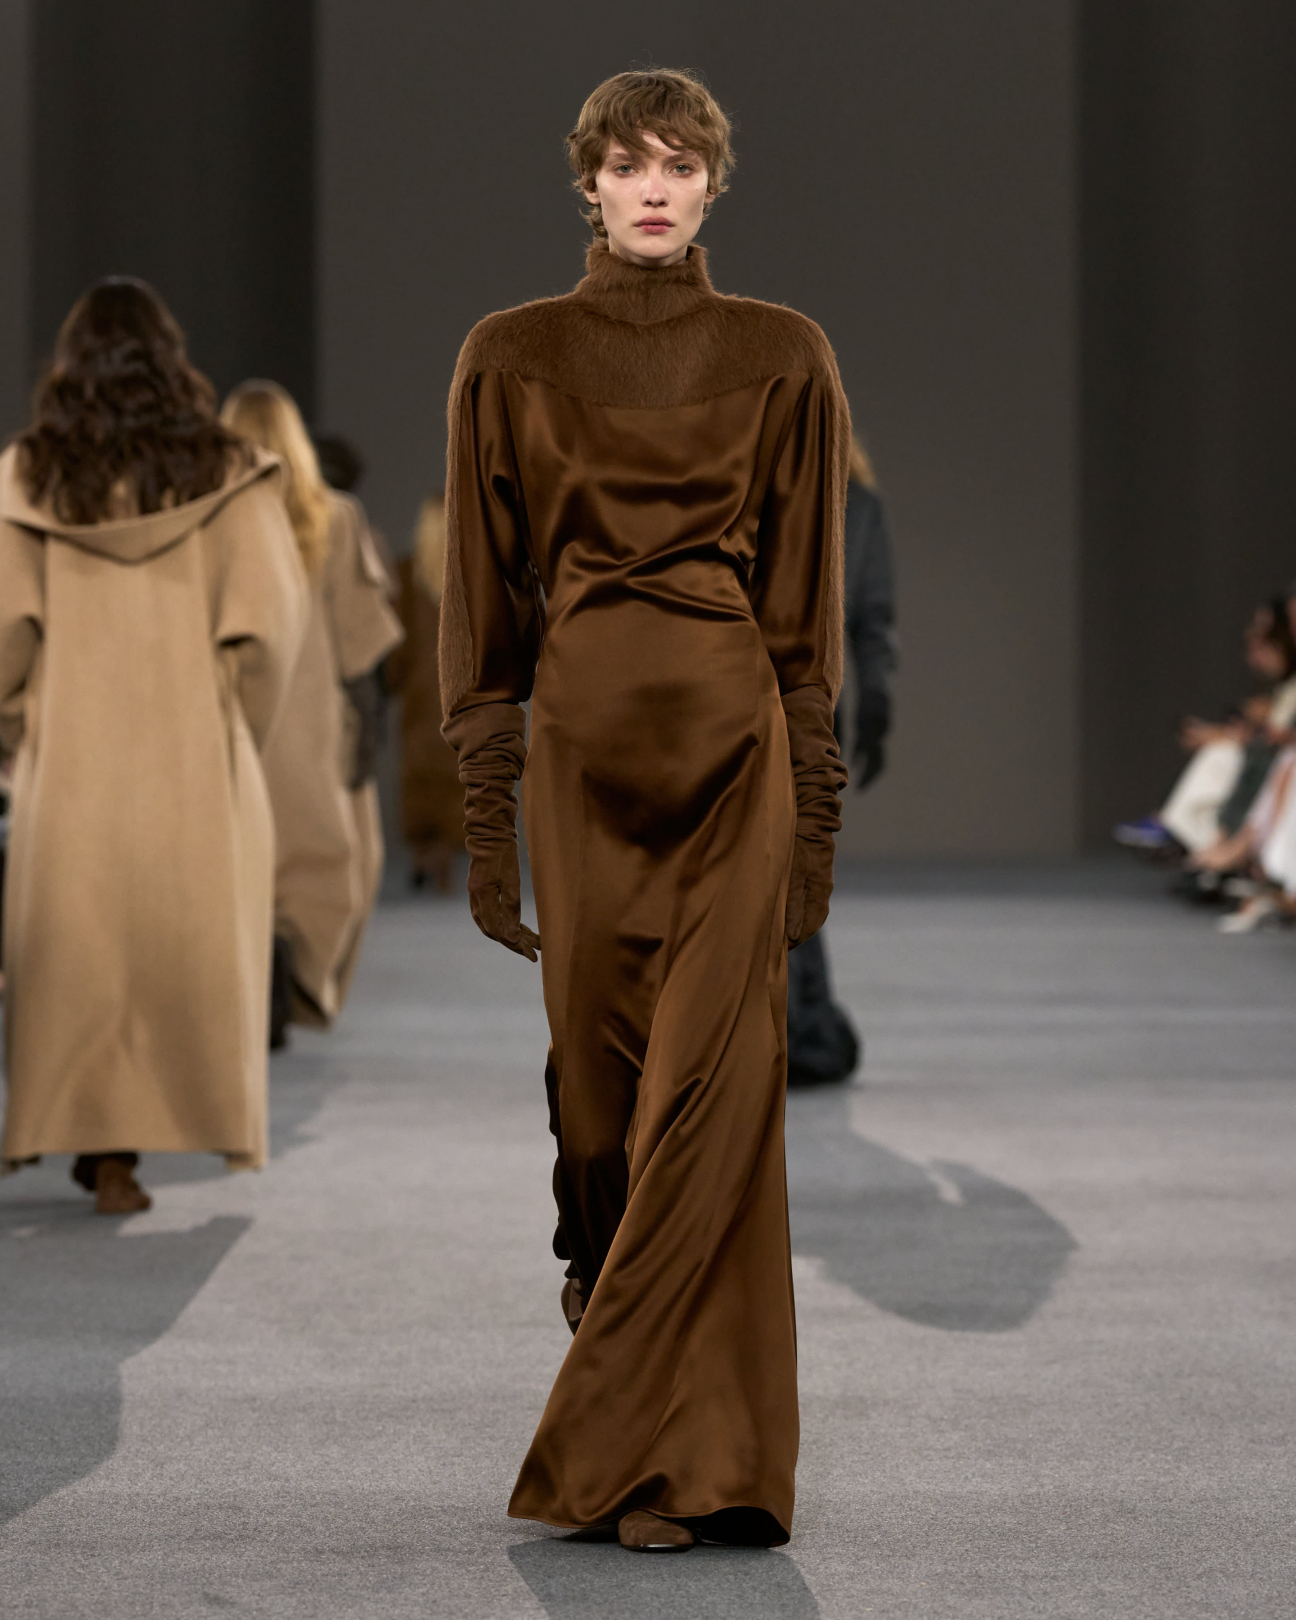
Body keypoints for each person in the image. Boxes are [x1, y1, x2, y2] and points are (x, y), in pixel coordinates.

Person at [440, 69, 848, 1552]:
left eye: (680, 162)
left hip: (737, 757)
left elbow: (804, 612)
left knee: (715, 1101)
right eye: (629, 163)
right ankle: (611, 1309)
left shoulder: (784, 353)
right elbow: (481, 607)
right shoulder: (511, 355)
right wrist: (489, 815)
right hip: (580, 765)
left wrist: (814, 818)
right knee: (601, 1108)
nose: (655, 186)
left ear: (714, 182)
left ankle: (691, 1466)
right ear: (590, 183)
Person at [0, 278, 307, 1212]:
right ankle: (126, 1152)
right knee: (172, 952)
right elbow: (270, 633)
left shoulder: (29, 478)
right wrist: (234, 735)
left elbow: (6, 634)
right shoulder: (232, 474)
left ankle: (99, 1140)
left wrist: (16, 731)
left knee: (79, 953)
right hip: (192, 757)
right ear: (172, 361)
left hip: (71, 761)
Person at [221, 383, 403, 1047]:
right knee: (323, 869)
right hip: (313, 723)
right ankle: (290, 985)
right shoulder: (337, 518)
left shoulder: (206, 517)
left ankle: (249, 987)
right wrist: (368, 731)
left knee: (235, 863)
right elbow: (361, 642)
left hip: (233, 715)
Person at [787, 435, 896, 1086]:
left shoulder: (745, 486)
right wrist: (876, 703)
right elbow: (873, 617)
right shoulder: (859, 504)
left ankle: (790, 1026)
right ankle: (802, 1025)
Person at [387, 494, 466, 890]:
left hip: (419, 699)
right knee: (458, 778)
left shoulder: (406, 575)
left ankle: (425, 856)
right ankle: (444, 865)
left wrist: (392, 680)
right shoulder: (471, 575)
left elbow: (396, 644)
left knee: (419, 779)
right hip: (461, 695)